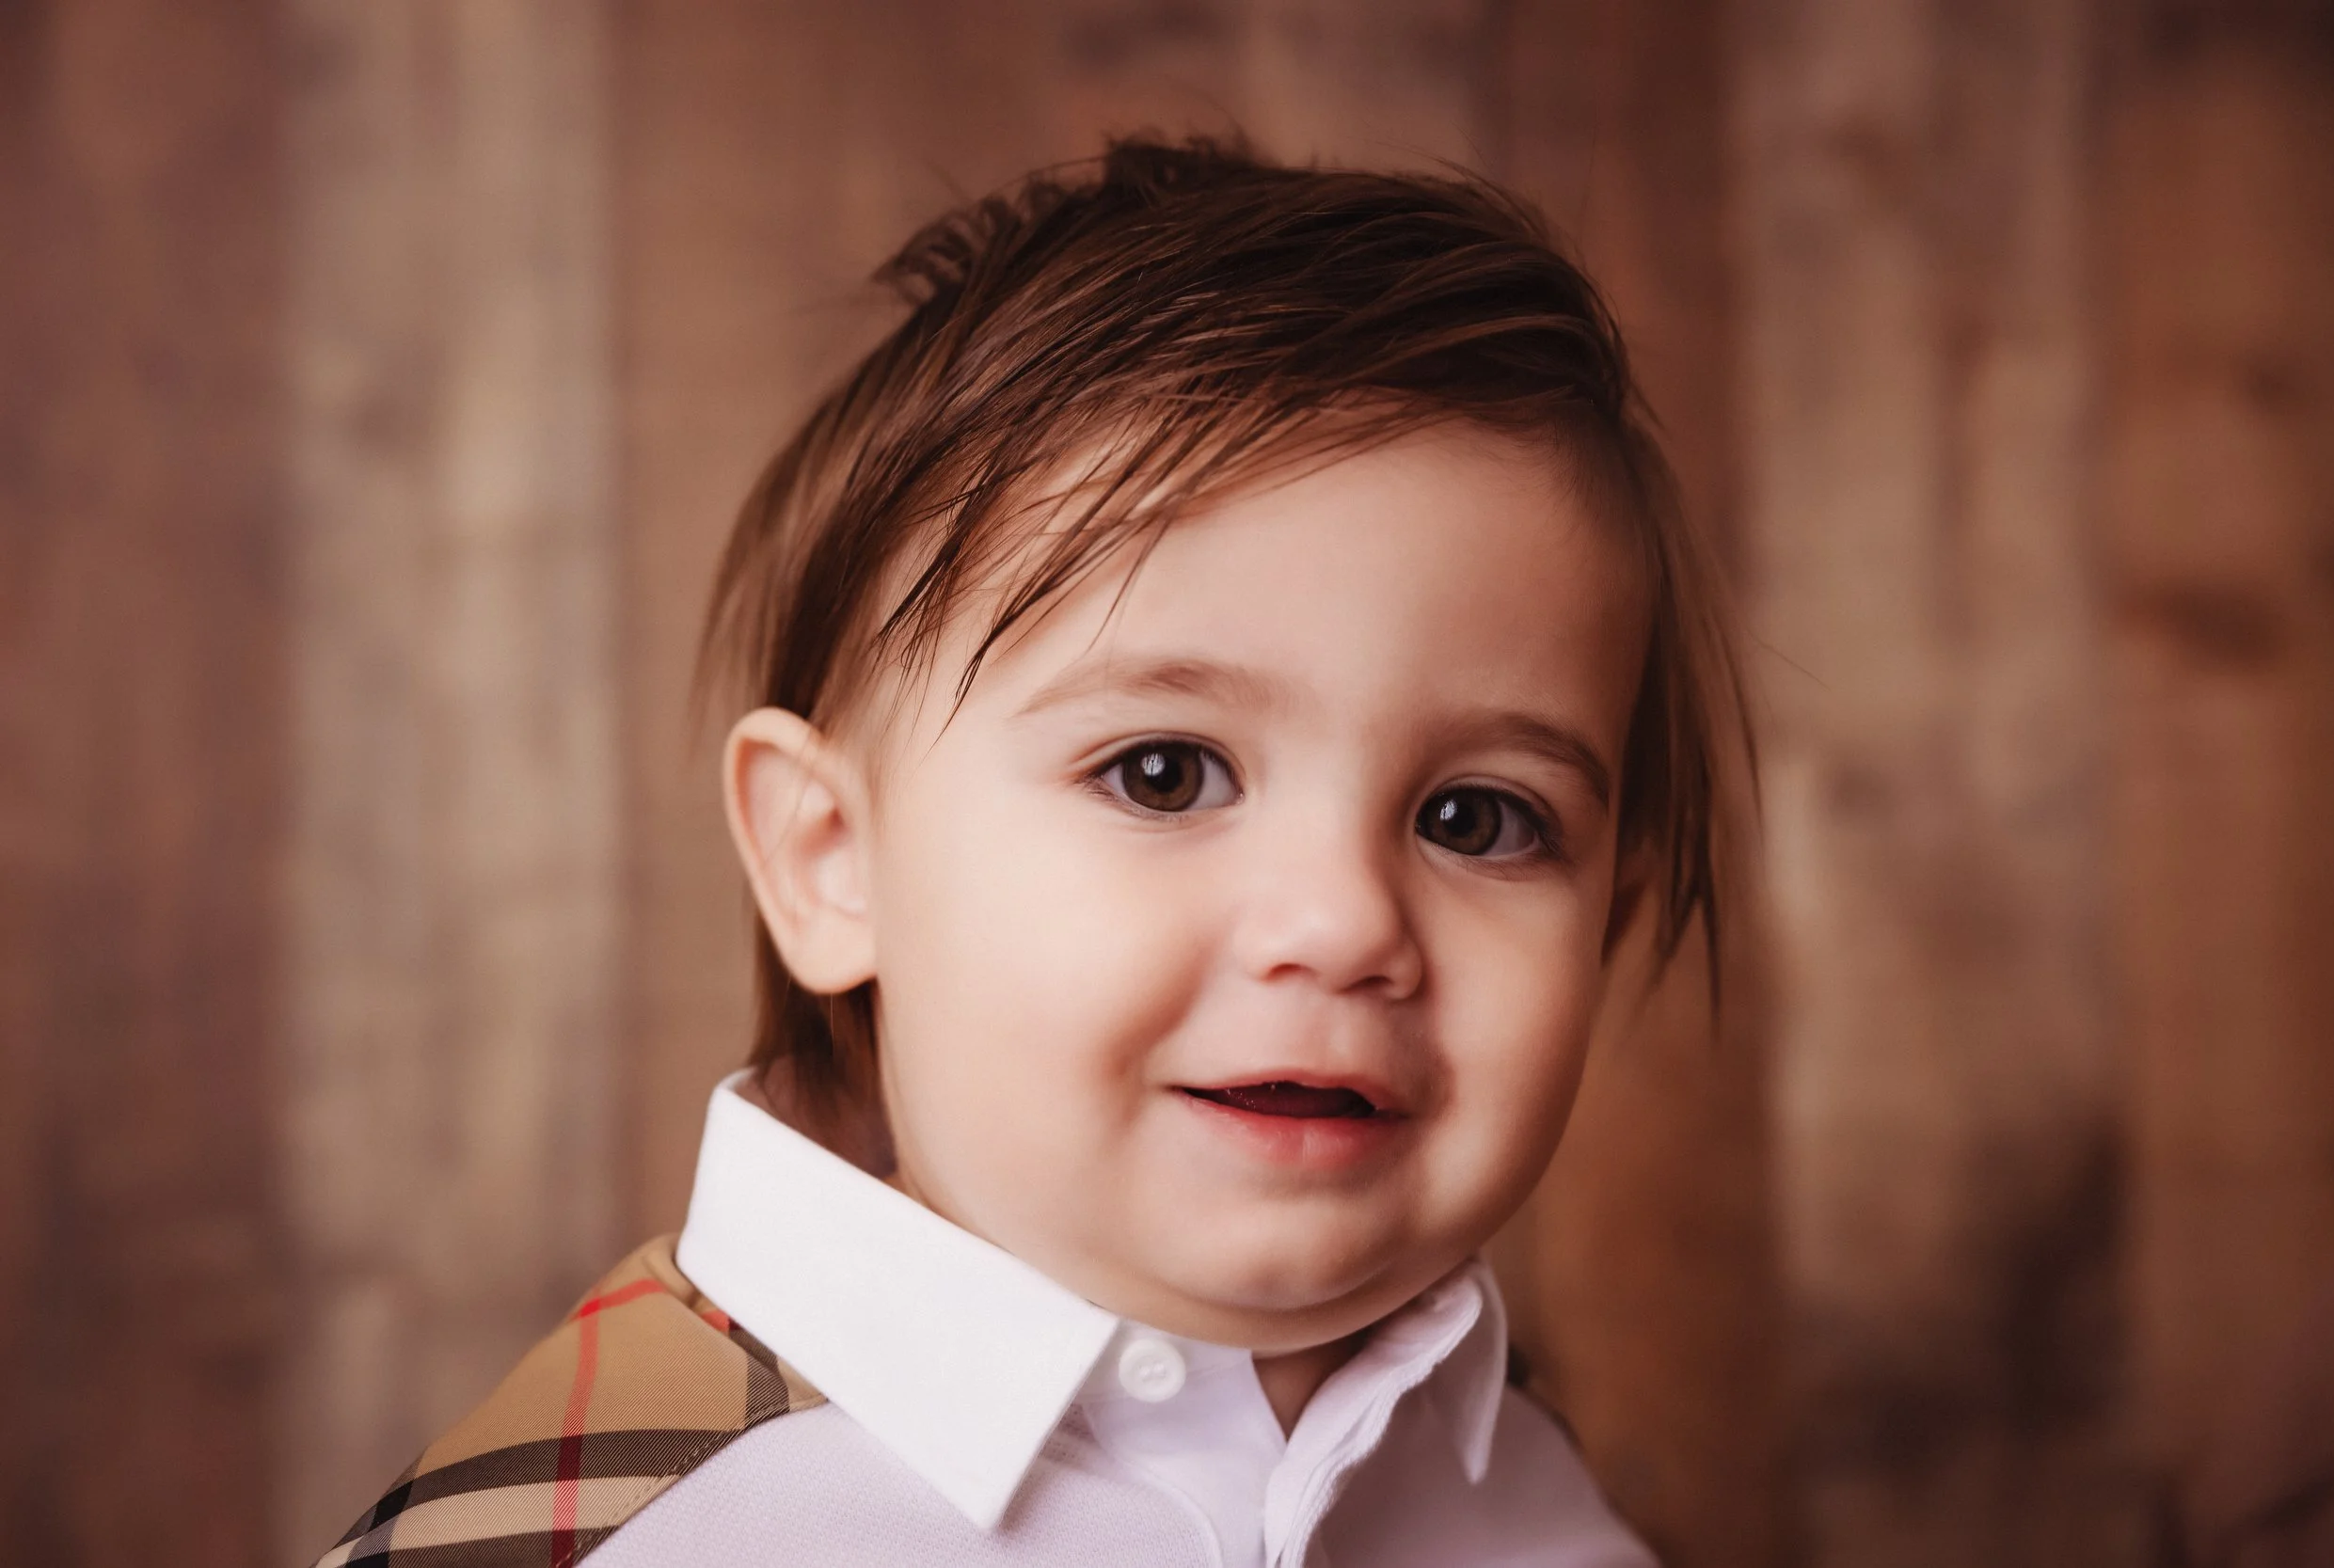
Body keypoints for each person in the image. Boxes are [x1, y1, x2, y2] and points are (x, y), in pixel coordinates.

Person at [314, 134, 1749, 1568]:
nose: (1342, 919)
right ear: (833, 859)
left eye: (1474, 818)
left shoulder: (1526, 1501)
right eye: (1166, 773)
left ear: (1609, 919)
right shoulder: (620, 1533)